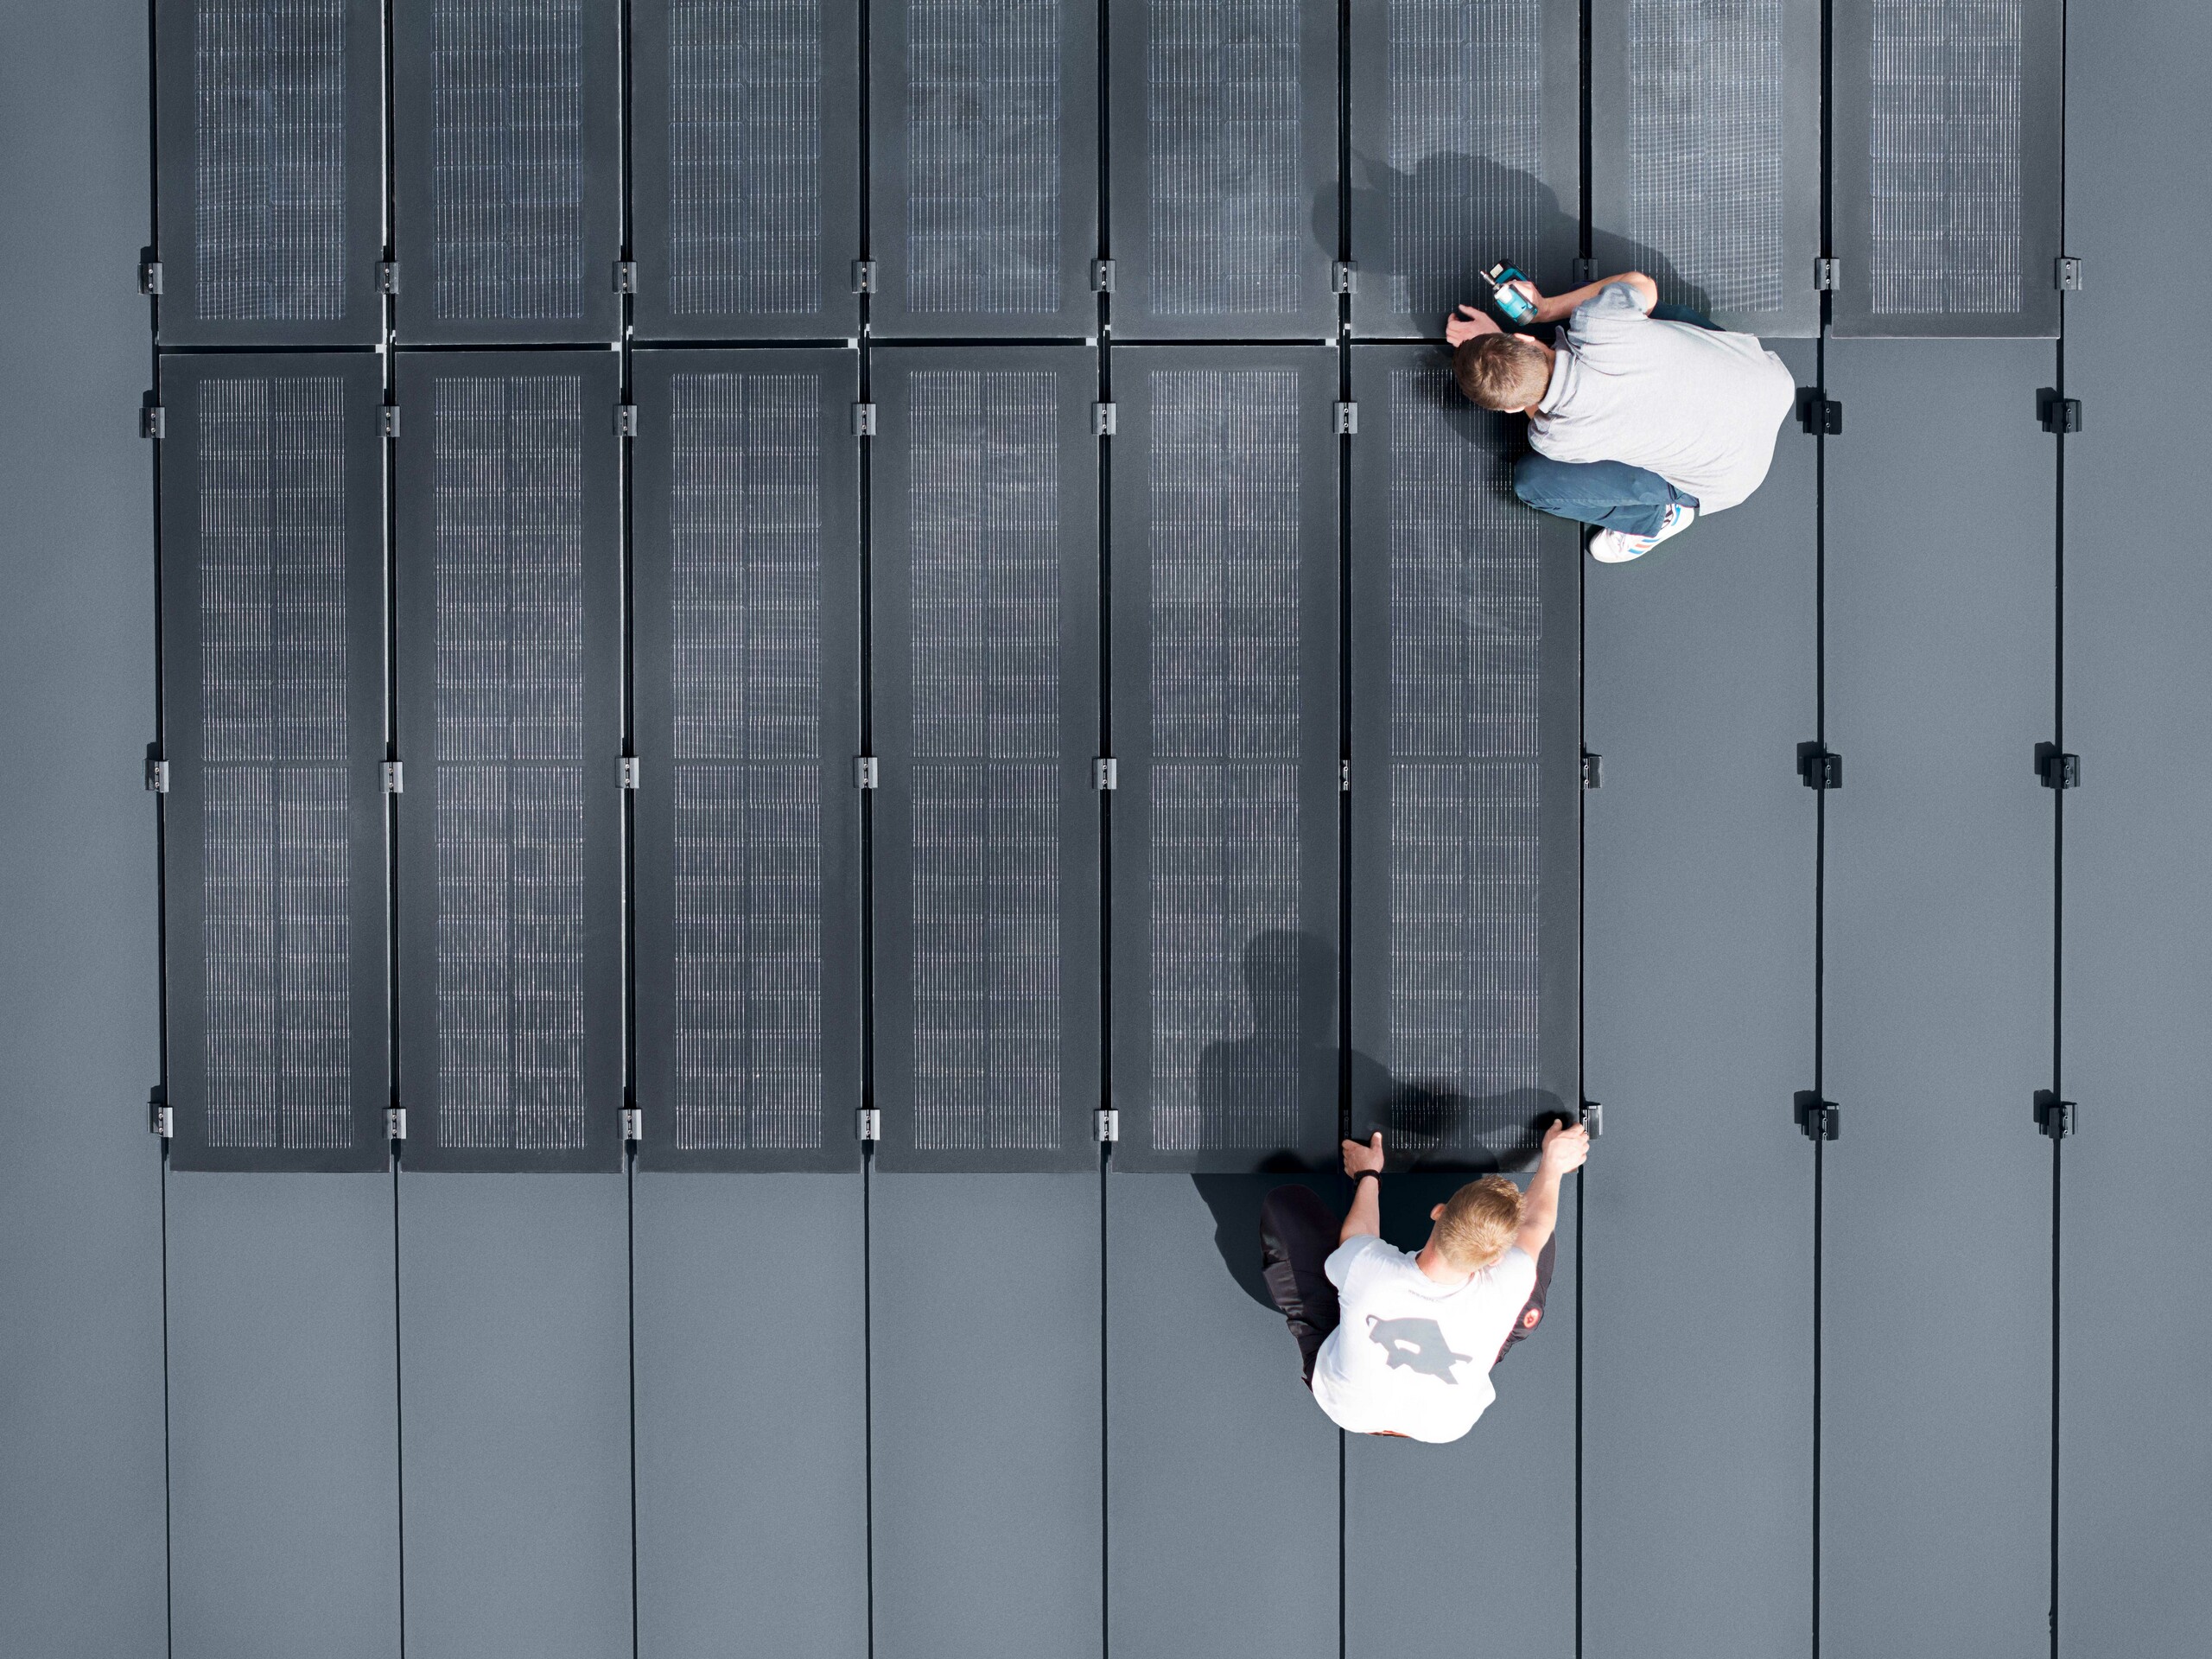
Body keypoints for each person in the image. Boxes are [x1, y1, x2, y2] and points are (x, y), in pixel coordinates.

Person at [1258, 1121, 1591, 1443]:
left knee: (1286, 1206)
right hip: (1443, 1426)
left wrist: (1368, 1172)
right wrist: (1553, 1164)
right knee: (1536, 1249)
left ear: (1438, 1212)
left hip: (1346, 1405)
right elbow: (1536, 1223)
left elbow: (1360, 1235)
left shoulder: (1368, 1270)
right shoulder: (1508, 1281)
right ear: (1496, 1259)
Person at [1445, 270, 1796, 564]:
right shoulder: (1597, 321)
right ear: (1524, 338)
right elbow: (1643, 285)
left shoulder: (1554, 438)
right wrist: (1542, 309)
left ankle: (1659, 518)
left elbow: (1538, 407)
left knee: (1533, 483)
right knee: (1620, 301)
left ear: (1508, 408)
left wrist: (1499, 357)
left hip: (1732, 473)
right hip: (1769, 381)